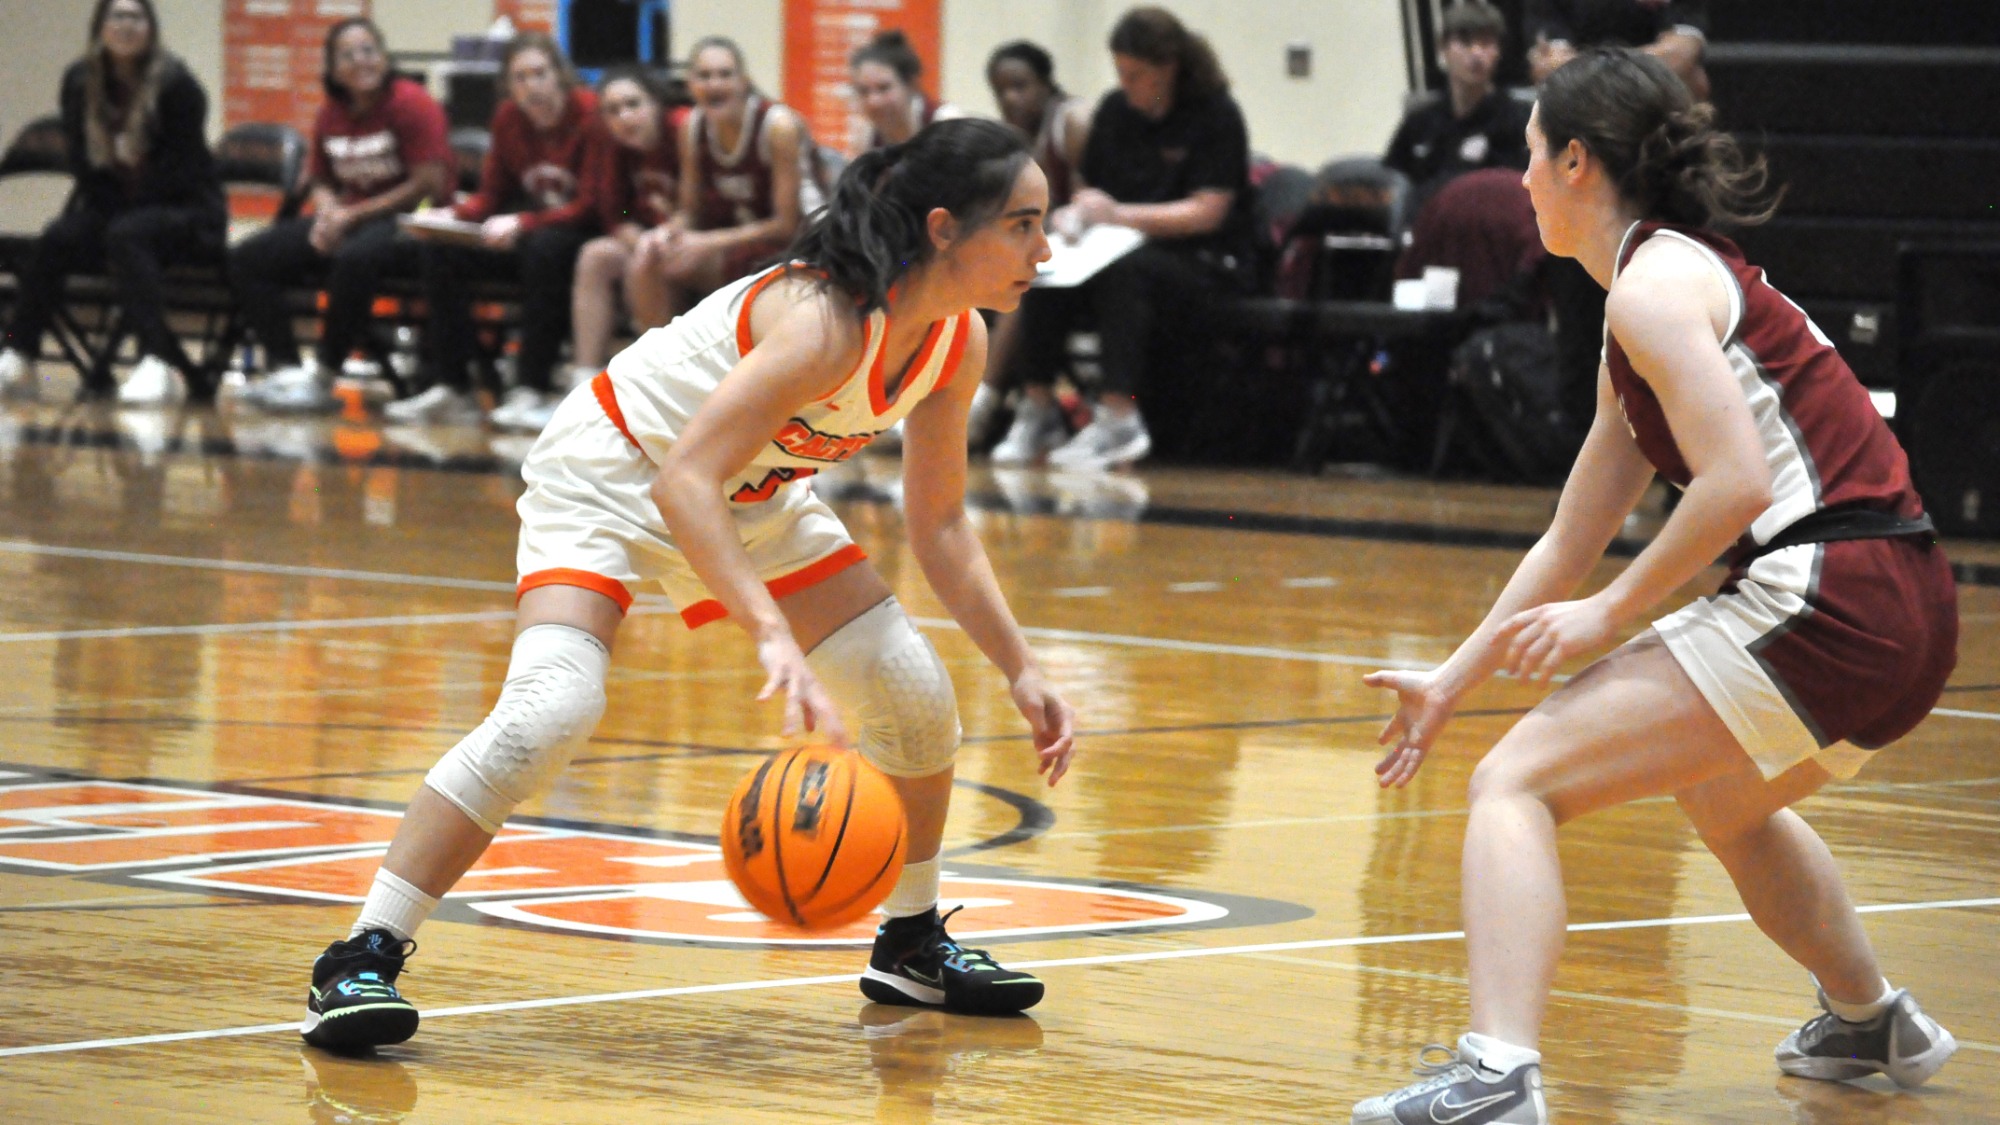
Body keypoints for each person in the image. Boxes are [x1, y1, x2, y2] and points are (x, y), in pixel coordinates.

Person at [296, 118, 1077, 1051]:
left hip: (752, 491)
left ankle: (910, 943)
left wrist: (1020, 667)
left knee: (914, 694)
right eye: (1024, 224)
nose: (1045, 246)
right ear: (946, 228)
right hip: (618, 467)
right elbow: (681, 481)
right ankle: (360, 955)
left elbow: (940, 522)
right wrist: (770, 632)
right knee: (552, 705)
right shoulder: (826, 322)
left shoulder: (958, 343)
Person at [1353, 49, 1958, 1125]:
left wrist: (1607, 617)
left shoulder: (1652, 285)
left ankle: (1494, 1076)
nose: (1521, 177)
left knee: (1515, 782)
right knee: (1727, 797)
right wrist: (1452, 676)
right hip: (1903, 603)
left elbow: (1728, 485)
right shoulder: (1650, 296)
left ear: (1576, 161)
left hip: (1832, 585)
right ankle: (1870, 1020)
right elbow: (1564, 543)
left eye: (1530, 153)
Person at [990, 6, 1256, 469]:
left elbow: (1208, 212)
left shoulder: (1216, 114)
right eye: (1121, 73)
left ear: (1167, 68)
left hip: (1204, 259)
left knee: (1127, 273)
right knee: (1044, 264)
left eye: (1136, 75)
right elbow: (1091, 187)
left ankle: (1119, 417)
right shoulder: (1115, 111)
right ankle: (1039, 407)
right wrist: (1076, 215)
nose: (1126, 84)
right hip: (1119, 249)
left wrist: (1120, 215)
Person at [0, 0, 225, 406]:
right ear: (99, 28)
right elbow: (83, 161)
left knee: (128, 234)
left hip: (187, 211)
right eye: (116, 17)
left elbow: (184, 168)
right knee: (57, 236)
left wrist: (128, 209)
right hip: (117, 209)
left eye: (135, 17)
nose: (125, 25)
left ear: (151, 29)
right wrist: (110, 207)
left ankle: (156, 361)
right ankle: (19, 351)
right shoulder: (78, 82)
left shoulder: (177, 85)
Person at [229, 18, 451, 413]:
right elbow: (319, 178)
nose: (361, 60)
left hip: (410, 222)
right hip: (354, 218)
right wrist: (330, 212)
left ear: (384, 58)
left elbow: (426, 184)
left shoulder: (412, 103)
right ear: (332, 70)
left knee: (353, 259)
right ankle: (284, 370)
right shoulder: (331, 113)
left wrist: (351, 217)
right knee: (250, 257)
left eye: (368, 50)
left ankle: (324, 376)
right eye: (347, 55)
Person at [390, 33, 599, 432]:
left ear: (560, 75)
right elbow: (492, 194)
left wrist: (523, 222)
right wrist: (452, 216)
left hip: (583, 234)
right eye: (519, 78)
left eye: (539, 74)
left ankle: (531, 388)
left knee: (546, 249)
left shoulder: (590, 114)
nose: (530, 86)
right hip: (531, 232)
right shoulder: (508, 119)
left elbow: (594, 203)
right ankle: (453, 386)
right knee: (440, 249)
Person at [1527, 0, 1709, 427]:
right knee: (1581, 342)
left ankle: (1678, 477)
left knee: (1671, 328)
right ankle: (1581, 479)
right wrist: (1642, 70)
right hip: (1587, 185)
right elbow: (1548, 65)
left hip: (1658, 176)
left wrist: (1583, 72)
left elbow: (1682, 54)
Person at [626, 37, 808, 334]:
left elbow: (787, 225)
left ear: (744, 82)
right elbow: (690, 212)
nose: (714, 84)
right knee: (650, 258)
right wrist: (666, 233)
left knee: (695, 263)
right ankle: (659, 364)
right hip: (740, 243)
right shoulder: (692, 128)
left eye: (724, 74)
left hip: (801, 245)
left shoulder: (777, 127)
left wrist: (707, 242)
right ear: (690, 84)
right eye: (704, 76)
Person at [969, 40, 1092, 446]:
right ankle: (937, 399)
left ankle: (982, 404)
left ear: (1045, 83)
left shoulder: (1072, 120)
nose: (1010, 98)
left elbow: (1086, 202)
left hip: (1087, 253)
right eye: (1001, 90)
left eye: (1020, 86)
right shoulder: (1011, 138)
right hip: (1045, 252)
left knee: (1025, 280)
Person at [566, 67, 687, 396]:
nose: (624, 117)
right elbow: (617, 209)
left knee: (645, 263)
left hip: (695, 233)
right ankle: (585, 380)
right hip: (650, 236)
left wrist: (667, 231)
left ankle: (660, 380)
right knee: (596, 255)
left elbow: (700, 206)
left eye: (633, 105)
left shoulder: (683, 131)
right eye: (613, 110)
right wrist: (639, 235)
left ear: (656, 104)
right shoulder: (615, 147)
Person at [1384, 1, 1531, 216]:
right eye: (1465, 42)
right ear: (1442, 48)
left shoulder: (1518, 119)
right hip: (1425, 232)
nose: (1476, 54)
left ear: (1498, 51)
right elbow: (1392, 183)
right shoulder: (1420, 122)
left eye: (1486, 43)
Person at [849, 31, 964, 153]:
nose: (873, 101)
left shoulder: (947, 122)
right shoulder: (866, 138)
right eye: (863, 91)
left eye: (884, 88)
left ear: (911, 84)